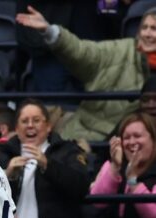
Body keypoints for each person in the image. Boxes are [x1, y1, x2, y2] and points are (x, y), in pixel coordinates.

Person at [16, 6, 156, 141]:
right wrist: (50, 31)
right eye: (144, 28)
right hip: (92, 139)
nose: (148, 34)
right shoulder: (120, 50)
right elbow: (82, 52)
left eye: (154, 29)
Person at [0, 99, 90, 218]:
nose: (30, 125)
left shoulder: (67, 151)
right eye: (24, 121)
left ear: (48, 126)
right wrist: (8, 175)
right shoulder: (2, 154)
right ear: (17, 128)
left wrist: (47, 165)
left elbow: (81, 186)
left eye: (36, 120)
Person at [90, 112, 156, 218]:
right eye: (126, 138)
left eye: (137, 136)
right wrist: (115, 167)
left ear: (153, 139)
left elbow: (153, 215)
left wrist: (132, 180)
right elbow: (98, 202)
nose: (131, 142)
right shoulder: (112, 164)